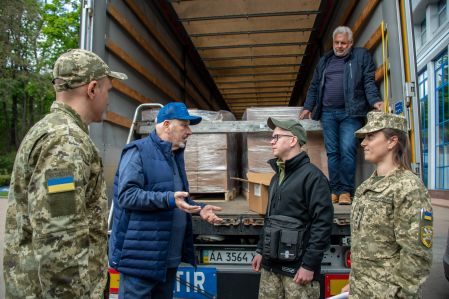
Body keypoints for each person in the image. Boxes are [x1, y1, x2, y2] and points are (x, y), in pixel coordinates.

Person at [2, 49, 128, 298]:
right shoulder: (65, 141)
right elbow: (60, 239)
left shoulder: (50, 130)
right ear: (92, 89)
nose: (108, 99)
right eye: (107, 91)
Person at [109, 102, 223, 299]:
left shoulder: (174, 155)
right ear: (166, 124)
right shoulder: (138, 151)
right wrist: (168, 199)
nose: (189, 132)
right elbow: (127, 195)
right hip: (141, 258)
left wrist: (200, 209)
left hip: (167, 259)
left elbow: (177, 199)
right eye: (184, 125)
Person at [341, 111, 433, 298]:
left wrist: (401, 294)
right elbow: (364, 246)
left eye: (371, 137)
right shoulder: (366, 187)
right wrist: (354, 282)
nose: (363, 143)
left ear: (392, 141)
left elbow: (417, 254)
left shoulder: (409, 187)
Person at [300, 26, 383, 205]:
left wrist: (375, 101)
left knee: (347, 150)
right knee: (332, 153)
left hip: (351, 113)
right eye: (336, 43)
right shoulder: (325, 61)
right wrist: (308, 107)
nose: (339, 46)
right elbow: (314, 85)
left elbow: (369, 81)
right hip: (328, 113)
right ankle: (334, 190)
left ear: (351, 43)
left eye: (343, 43)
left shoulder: (361, 57)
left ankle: (345, 191)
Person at [251, 117, 334, 299]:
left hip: (297, 272)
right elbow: (270, 218)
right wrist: (260, 251)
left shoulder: (313, 178)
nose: (271, 141)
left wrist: (309, 265)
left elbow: (322, 225)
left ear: (293, 140)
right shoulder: (276, 177)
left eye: (277, 137)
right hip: (270, 267)